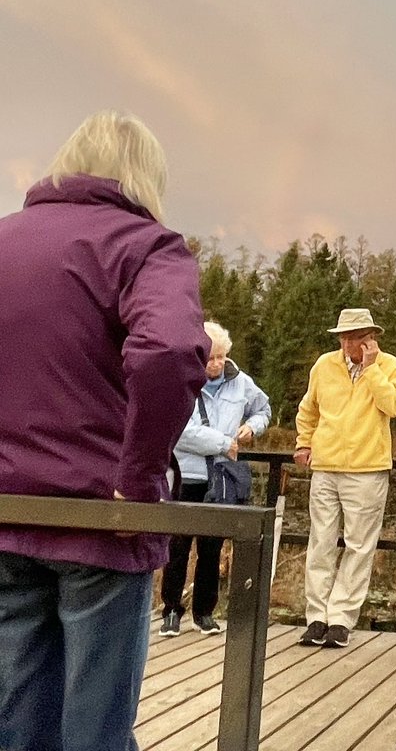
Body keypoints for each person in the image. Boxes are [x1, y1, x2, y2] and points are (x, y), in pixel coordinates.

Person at [0, 111, 209, 751]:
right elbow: (171, 351)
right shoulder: (144, 247)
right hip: (100, 521)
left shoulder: (5, 240)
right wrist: (138, 476)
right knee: (95, 727)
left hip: (6, 515)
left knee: (14, 721)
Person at [294, 307, 396, 649]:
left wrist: (372, 371)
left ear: (370, 338)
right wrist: (303, 443)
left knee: (359, 545)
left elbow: (395, 406)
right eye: (343, 337)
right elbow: (308, 409)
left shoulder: (390, 367)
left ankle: (341, 617)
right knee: (322, 541)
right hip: (325, 466)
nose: (346, 343)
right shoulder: (323, 365)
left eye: (354, 337)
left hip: (367, 468)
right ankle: (316, 617)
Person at [159, 320, 271, 636]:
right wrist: (225, 443)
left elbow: (263, 409)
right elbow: (180, 431)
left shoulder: (242, 383)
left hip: (220, 478)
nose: (217, 364)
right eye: (210, 358)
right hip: (185, 476)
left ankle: (204, 612)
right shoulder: (179, 383)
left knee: (212, 548)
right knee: (177, 548)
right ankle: (171, 611)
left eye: (221, 357)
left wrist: (253, 427)